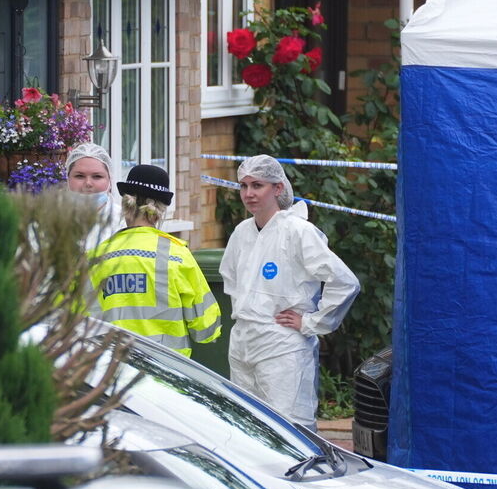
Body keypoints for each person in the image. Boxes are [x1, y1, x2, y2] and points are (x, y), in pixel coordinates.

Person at [219, 154, 360, 433]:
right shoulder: (241, 233)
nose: (249, 194)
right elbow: (232, 280)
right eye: (244, 186)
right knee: (246, 428)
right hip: (243, 343)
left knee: (290, 430)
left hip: (283, 347)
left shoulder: (297, 231)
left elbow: (344, 281)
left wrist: (310, 323)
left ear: (278, 188)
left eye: (257, 185)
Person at [88, 164, 221, 357]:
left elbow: (80, 320)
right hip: (167, 372)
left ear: (126, 204)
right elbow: (206, 329)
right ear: (160, 210)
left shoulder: (95, 257)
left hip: (110, 370)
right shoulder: (177, 256)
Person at [64, 142, 122, 249]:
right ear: (68, 179)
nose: (88, 183)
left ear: (110, 180)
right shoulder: (48, 220)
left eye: (97, 176)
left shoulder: (123, 221)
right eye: (79, 176)